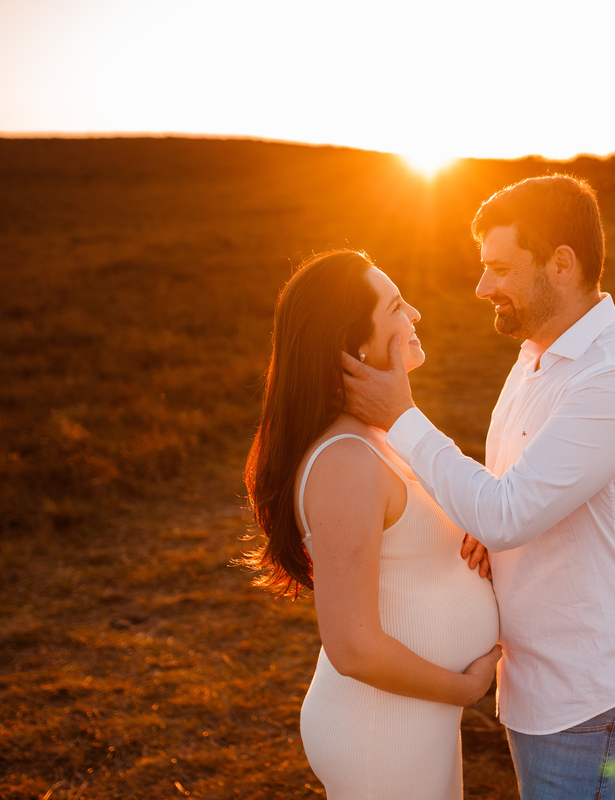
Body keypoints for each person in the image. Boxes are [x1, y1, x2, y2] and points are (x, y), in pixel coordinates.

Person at [342, 174, 615, 799]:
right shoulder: (535, 355)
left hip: (594, 693)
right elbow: (512, 496)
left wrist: (401, 417)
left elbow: (508, 512)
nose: (481, 287)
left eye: (499, 268)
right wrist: (485, 522)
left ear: (561, 263)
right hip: (540, 682)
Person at [243, 249, 502, 799]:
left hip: (409, 717)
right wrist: (463, 688)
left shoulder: (377, 437)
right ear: (355, 344)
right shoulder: (345, 461)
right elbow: (352, 645)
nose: (417, 317)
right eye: (396, 306)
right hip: (380, 728)